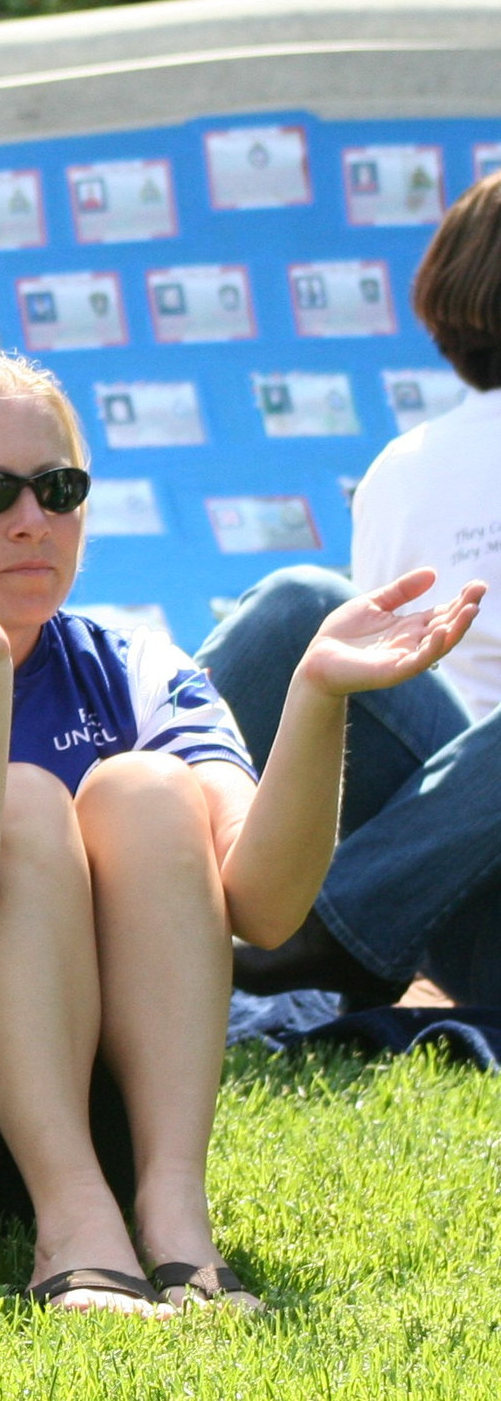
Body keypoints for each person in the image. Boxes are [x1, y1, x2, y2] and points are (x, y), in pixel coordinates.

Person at [0, 347, 480, 1316]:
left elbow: (262, 912)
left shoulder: (137, 666)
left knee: (146, 790)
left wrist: (316, 698)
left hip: (66, 1098)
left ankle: (172, 1224)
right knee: (17, 806)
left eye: (57, 489)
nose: (29, 520)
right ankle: (72, 1231)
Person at [221, 172, 501, 1009]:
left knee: (301, 600)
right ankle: (107, 862)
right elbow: (375, 667)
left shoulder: (404, 466)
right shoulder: (405, 468)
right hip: (447, 880)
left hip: (418, 890)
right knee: (300, 605)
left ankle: (334, 930)